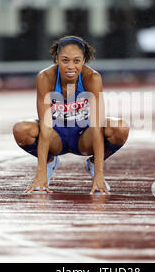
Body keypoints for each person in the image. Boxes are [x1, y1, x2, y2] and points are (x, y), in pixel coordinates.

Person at [13, 35, 129, 194]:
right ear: (56, 59)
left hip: (83, 137)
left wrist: (99, 175)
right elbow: (46, 127)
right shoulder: (45, 78)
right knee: (21, 129)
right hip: (56, 136)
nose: (70, 66)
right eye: (65, 60)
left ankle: (94, 165)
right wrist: (40, 174)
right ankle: (49, 162)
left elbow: (96, 128)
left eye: (76, 61)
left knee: (120, 128)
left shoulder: (92, 78)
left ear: (84, 61)